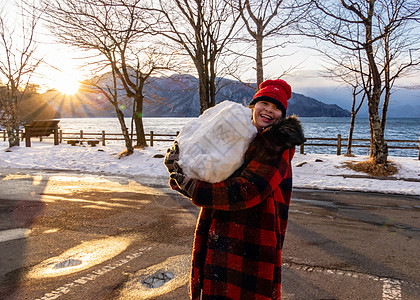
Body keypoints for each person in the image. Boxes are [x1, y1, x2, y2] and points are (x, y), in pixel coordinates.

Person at [164, 79, 305, 299]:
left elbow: (248, 190)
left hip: (252, 239)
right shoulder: (240, 136)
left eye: (276, 107)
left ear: (282, 115)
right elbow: (207, 170)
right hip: (222, 230)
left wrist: (193, 188)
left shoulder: (276, 145)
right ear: (253, 105)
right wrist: (181, 163)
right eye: (264, 103)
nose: (269, 110)